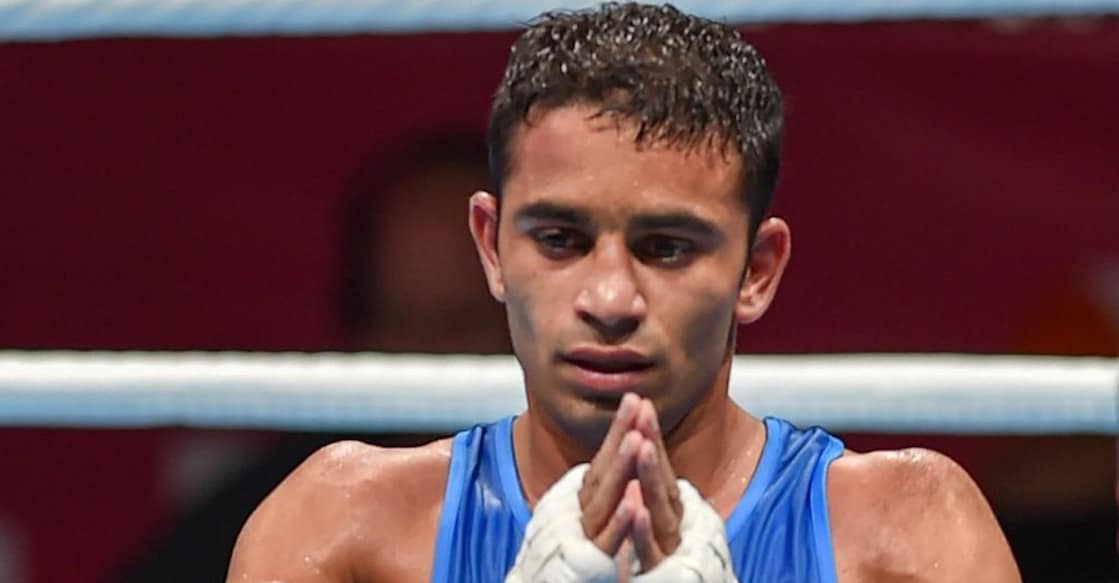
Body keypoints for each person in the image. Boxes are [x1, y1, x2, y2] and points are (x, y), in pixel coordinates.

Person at [227, 4, 1021, 581]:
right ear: (491, 246)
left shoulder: (906, 539)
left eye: (665, 247)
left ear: (757, 269)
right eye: (560, 240)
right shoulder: (343, 533)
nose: (609, 296)